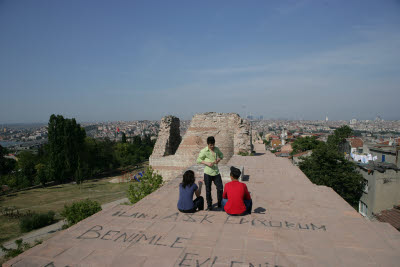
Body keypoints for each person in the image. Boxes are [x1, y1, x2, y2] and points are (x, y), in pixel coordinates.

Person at [196, 136, 224, 210]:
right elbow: (198, 160)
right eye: (210, 145)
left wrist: (219, 159)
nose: (212, 146)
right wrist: (207, 163)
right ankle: (209, 205)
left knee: (220, 188)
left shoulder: (216, 149)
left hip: (216, 172)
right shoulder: (204, 151)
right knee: (208, 190)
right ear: (207, 144)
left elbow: (221, 155)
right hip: (208, 173)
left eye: (213, 144)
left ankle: (220, 203)